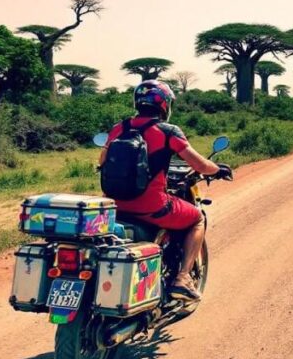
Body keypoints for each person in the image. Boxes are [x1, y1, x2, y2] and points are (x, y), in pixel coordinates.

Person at [98, 80, 232, 300]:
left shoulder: (119, 128)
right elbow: (198, 165)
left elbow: (102, 161)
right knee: (197, 218)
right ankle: (183, 277)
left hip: (115, 206)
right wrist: (217, 169)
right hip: (152, 207)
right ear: (164, 105)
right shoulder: (168, 131)